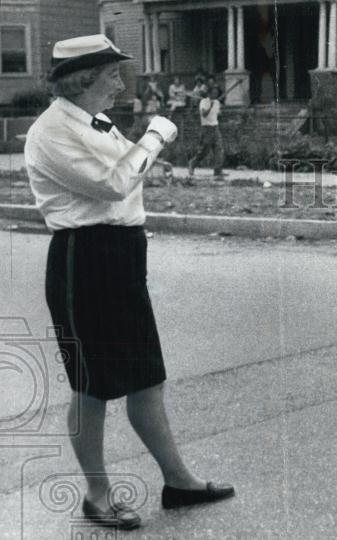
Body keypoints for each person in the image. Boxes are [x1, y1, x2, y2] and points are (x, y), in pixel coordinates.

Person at [24, 34, 235, 530]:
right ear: (83, 79)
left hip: (120, 253)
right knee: (92, 385)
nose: (121, 83)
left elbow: (126, 178)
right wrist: (157, 134)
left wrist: (142, 147)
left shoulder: (94, 122)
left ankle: (178, 480)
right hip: (84, 258)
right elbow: (116, 182)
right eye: (112, 74)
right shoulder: (50, 131)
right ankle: (97, 495)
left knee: (146, 376)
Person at [187, 87, 225, 178]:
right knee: (204, 151)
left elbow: (218, 114)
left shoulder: (217, 102)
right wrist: (210, 106)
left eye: (216, 93)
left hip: (215, 128)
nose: (215, 95)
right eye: (214, 93)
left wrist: (219, 111)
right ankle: (192, 163)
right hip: (206, 128)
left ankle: (218, 170)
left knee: (219, 149)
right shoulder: (203, 102)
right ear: (209, 93)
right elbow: (204, 114)